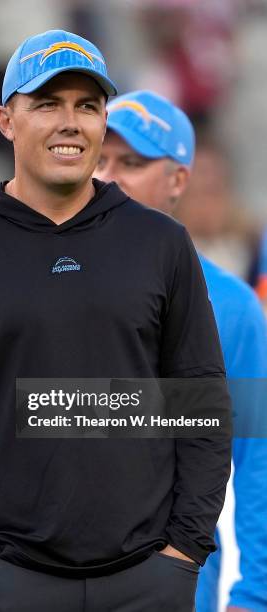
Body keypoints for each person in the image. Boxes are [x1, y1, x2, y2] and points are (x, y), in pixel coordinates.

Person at [0, 30, 231, 612]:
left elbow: (202, 402)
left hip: (148, 579)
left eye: (88, 105)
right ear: (6, 120)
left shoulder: (162, 244)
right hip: (7, 579)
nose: (70, 122)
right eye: (47, 103)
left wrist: (185, 552)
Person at [95, 89, 267, 612]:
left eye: (132, 162)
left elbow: (259, 461)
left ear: (178, 180)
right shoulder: (30, 285)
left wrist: (255, 595)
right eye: (99, 157)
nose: (108, 175)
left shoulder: (231, 309)